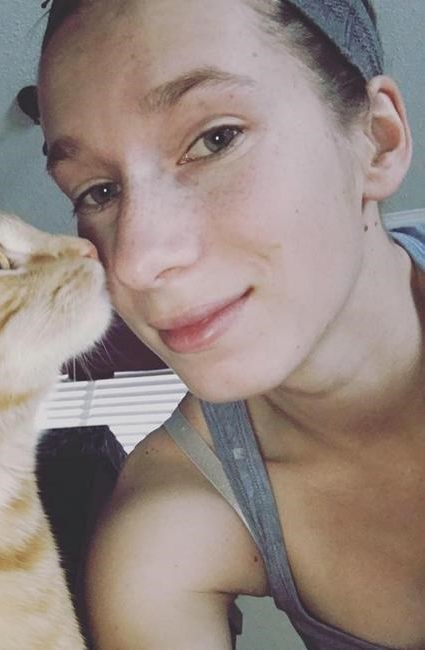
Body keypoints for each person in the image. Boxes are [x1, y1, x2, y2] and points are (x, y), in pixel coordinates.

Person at [36, 0, 425, 648]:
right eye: (97, 192)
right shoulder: (162, 528)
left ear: (376, 141)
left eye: (215, 139)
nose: (133, 261)